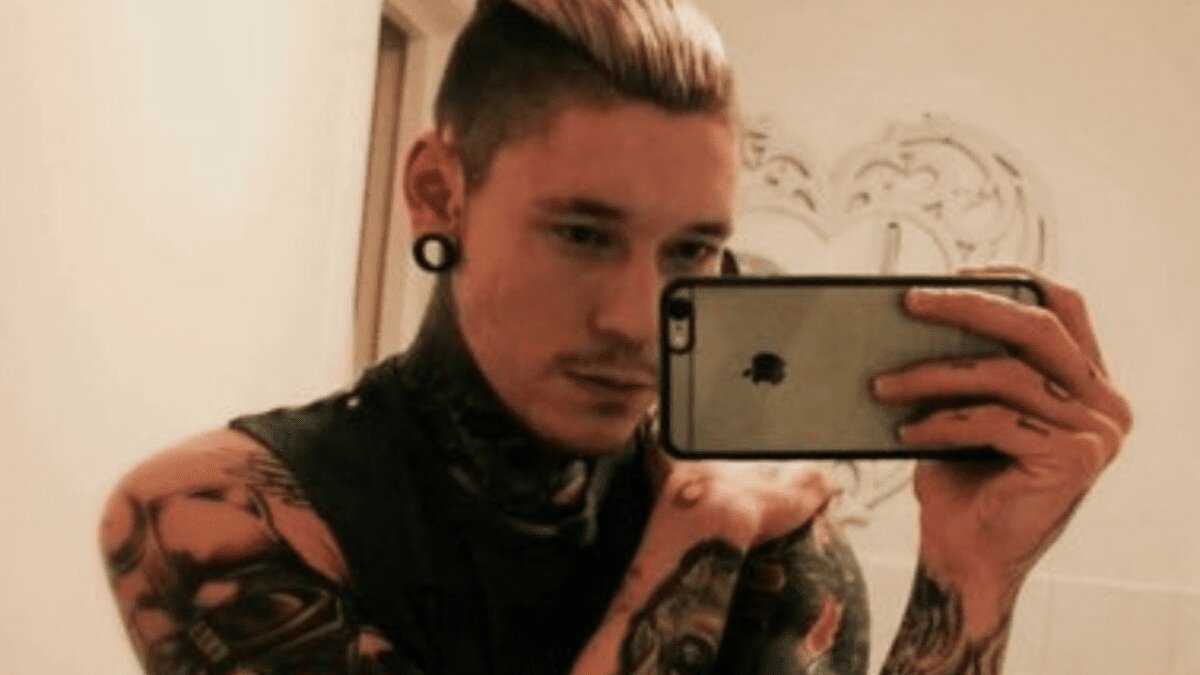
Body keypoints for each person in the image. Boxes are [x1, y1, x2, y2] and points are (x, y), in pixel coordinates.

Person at [99, 1, 1133, 673]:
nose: (638, 320)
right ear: (438, 193)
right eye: (582, 234)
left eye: (691, 250)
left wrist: (972, 574)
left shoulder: (778, 534)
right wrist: (696, 540)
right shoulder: (219, 513)